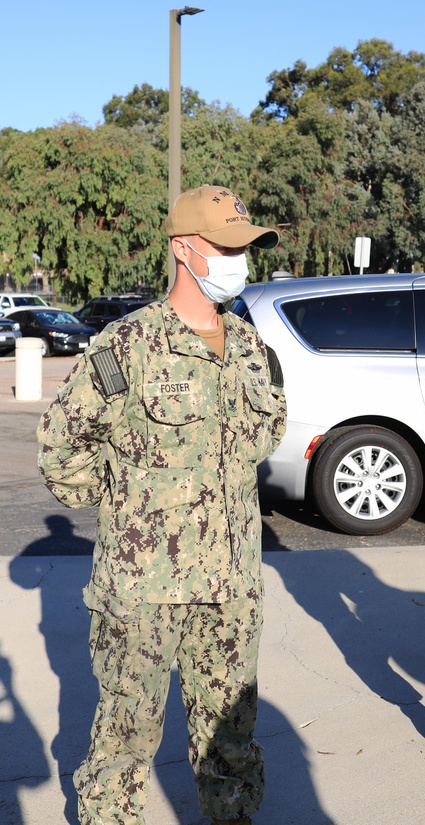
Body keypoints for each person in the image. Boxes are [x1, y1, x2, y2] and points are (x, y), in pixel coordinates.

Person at [37, 184, 287, 825]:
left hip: (231, 585)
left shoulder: (253, 351)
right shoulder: (127, 347)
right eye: (225, 247)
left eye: (245, 247)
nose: (240, 260)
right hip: (142, 588)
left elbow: (265, 435)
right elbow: (63, 449)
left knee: (229, 738)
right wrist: (133, 507)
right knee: (125, 738)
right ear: (183, 249)